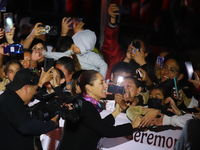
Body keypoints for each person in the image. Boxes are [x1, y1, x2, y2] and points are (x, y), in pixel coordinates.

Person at [56, 70, 141, 150]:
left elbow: (98, 126)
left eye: (105, 82)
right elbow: (107, 131)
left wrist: (116, 112)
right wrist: (132, 125)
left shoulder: (83, 103)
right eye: (101, 83)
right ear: (89, 88)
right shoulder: (85, 106)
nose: (106, 85)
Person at [0, 68, 58, 150]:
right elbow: (26, 126)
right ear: (27, 88)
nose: (35, 93)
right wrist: (52, 124)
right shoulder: (11, 102)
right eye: (35, 90)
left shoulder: (8, 98)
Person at [42, 18, 108, 78]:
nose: (73, 27)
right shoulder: (71, 48)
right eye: (71, 24)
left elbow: (103, 65)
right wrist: (64, 34)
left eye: (76, 24)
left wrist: (101, 80)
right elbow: (60, 56)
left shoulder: (91, 53)